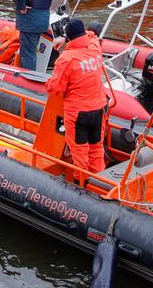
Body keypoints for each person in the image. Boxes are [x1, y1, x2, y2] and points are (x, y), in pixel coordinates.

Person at [46, 19, 108, 179]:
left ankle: (82, 185)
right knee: (96, 149)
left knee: (79, 152)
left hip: (78, 114)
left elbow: (55, 88)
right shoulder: (95, 49)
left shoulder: (66, 59)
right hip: (98, 110)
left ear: (68, 38)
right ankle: (100, 183)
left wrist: (49, 81)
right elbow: (93, 38)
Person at [13, 0, 60, 71]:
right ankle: (35, 73)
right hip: (43, 20)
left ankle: (28, 79)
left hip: (30, 22)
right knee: (33, 48)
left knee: (28, 52)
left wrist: (22, 7)